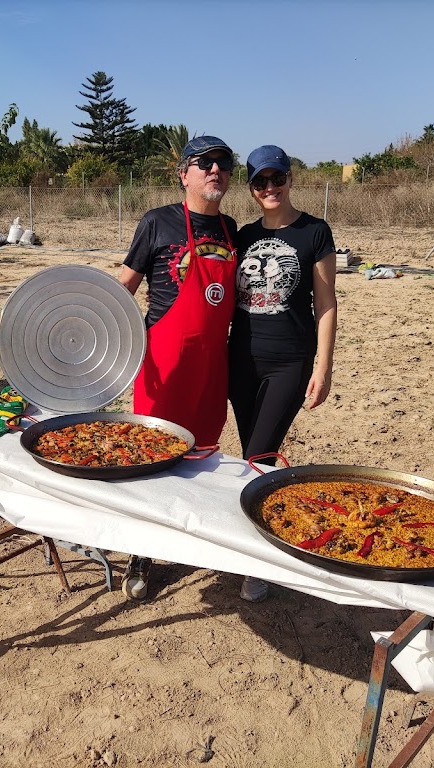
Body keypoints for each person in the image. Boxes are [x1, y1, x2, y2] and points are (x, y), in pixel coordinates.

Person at [118, 136, 238, 600]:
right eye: (204, 162)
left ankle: (190, 536)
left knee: (201, 455)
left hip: (212, 362)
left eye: (224, 163)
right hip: (163, 361)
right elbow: (122, 291)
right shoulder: (157, 222)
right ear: (183, 173)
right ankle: (141, 552)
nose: (215, 169)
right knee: (150, 455)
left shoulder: (232, 229)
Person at [229, 146, 338, 602]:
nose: (269, 189)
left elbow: (326, 303)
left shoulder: (314, 232)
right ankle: (266, 540)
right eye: (260, 182)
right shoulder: (243, 236)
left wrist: (324, 366)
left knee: (259, 458)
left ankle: (258, 562)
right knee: (253, 457)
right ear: (252, 187)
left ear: (290, 180)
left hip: (290, 361)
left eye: (277, 180)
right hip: (241, 360)